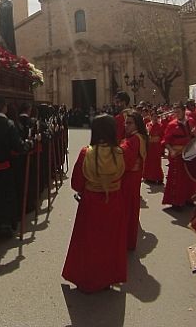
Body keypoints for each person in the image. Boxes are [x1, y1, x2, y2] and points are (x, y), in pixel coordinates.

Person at [62, 114, 126, 292]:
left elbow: (76, 183)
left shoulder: (86, 152)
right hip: (113, 201)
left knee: (89, 242)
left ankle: (87, 280)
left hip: (90, 202)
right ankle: (107, 279)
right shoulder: (120, 152)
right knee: (110, 241)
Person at [0, 96, 30, 238]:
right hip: (5, 168)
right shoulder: (8, 124)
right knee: (6, 197)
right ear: (4, 107)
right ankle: (6, 225)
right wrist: (28, 144)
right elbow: (18, 146)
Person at [120, 111, 147, 251]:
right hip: (132, 177)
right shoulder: (136, 137)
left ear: (137, 124)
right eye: (126, 122)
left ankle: (126, 241)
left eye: (129, 123)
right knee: (131, 208)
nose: (126, 125)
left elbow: (126, 161)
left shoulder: (134, 140)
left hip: (129, 178)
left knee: (127, 209)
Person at [162, 103, 196, 208]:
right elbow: (165, 141)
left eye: (178, 111)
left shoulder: (190, 122)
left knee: (189, 178)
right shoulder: (172, 125)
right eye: (175, 112)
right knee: (177, 179)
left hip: (189, 153)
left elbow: (195, 135)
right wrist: (171, 150)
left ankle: (189, 198)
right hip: (177, 155)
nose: (176, 114)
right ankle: (176, 202)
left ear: (184, 111)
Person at [143, 110, 164, 184]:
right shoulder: (148, 125)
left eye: (156, 116)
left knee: (156, 162)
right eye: (153, 116)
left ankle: (158, 177)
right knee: (148, 162)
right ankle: (149, 177)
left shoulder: (160, 125)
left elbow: (162, 136)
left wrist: (156, 139)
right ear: (151, 117)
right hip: (149, 146)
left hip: (156, 146)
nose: (155, 118)